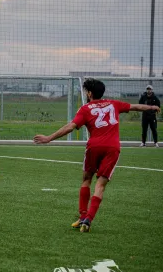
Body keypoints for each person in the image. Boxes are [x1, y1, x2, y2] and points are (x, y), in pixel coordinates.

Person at [33, 78, 161, 233]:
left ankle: (82, 216)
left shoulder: (86, 109)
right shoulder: (114, 104)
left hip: (94, 147)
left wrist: (49, 138)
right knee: (100, 184)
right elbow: (135, 106)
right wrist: (151, 107)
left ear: (89, 93)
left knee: (87, 179)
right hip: (112, 148)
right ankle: (88, 219)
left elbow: (71, 127)